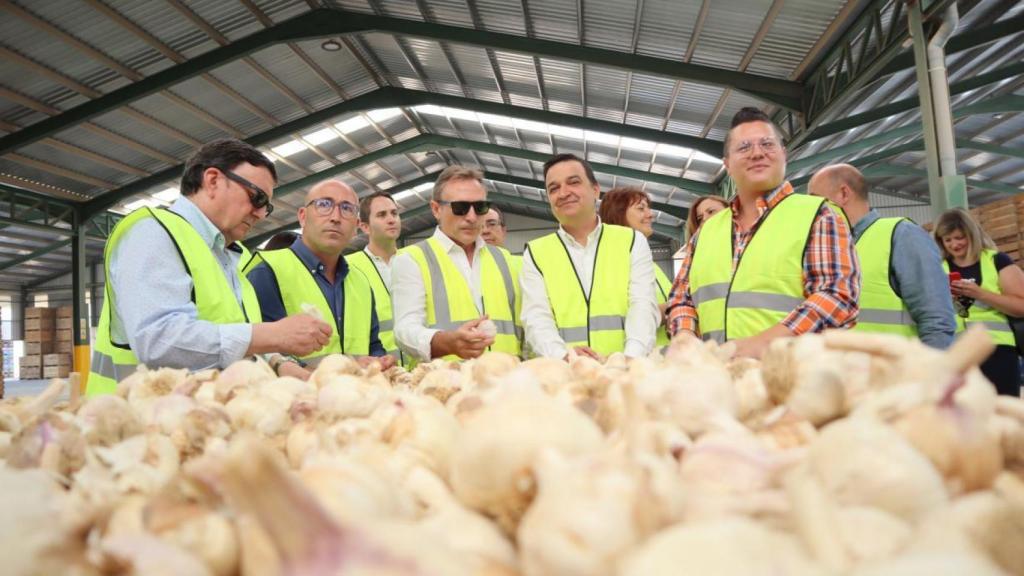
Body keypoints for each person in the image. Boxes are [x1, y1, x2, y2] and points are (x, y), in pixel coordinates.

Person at [88, 139, 331, 395]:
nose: (260, 214)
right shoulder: (153, 232)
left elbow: (230, 331)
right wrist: (272, 334)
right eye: (257, 197)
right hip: (139, 418)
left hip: (201, 418)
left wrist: (277, 363)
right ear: (213, 180)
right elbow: (159, 340)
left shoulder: (228, 256)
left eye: (266, 207)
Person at [666, 107, 860, 359]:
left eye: (767, 144)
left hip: (794, 378)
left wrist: (765, 343)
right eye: (744, 147)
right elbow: (682, 299)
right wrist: (685, 336)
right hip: (717, 378)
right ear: (727, 164)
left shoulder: (819, 215)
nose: (757, 153)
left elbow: (837, 296)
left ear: (783, 154)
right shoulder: (707, 231)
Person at [521, 154, 659, 361]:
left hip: (626, 372)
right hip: (567, 375)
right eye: (554, 188)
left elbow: (643, 304)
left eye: (573, 182)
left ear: (595, 189)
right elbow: (536, 316)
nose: (564, 193)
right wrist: (563, 356)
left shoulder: (631, 241)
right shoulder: (535, 252)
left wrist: (630, 356)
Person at [245, 179, 392, 371]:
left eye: (347, 209)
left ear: (356, 226)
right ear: (303, 216)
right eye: (324, 205)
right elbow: (259, 353)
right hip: (292, 398)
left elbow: (373, 346)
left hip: (357, 396)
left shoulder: (360, 281)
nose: (336, 217)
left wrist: (380, 361)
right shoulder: (268, 271)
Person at [808, 164, 955, 348]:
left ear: (844, 194)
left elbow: (936, 320)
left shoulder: (902, 235)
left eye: (817, 201)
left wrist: (931, 373)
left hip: (897, 373)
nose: (813, 210)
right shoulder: (830, 249)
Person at [391, 166, 522, 364]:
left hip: (502, 384)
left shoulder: (506, 261)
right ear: (436, 209)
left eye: (479, 208)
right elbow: (405, 329)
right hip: (443, 386)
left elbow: (526, 326)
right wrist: (447, 342)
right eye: (460, 208)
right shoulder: (411, 260)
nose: (471, 217)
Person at [933, 207, 1024, 396]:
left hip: (997, 350)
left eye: (959, 237)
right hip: (956, 354)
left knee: (1002, 415)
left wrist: (980, 294)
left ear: (971, 234)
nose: (954, 245)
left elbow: (1020, 306)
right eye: (947, 240)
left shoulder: (997, 261)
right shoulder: (937, 268)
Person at [598, 186, 673, 346]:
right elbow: (618, 318)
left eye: (648, 208)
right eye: (641, 208)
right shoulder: (609, 262)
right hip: (632, 362)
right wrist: (670, 310)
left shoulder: (648, 263)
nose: (650, 214)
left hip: (659, 361)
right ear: (617, 214)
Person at [346, 192, 403, 363]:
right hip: (377, 369)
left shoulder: (414, 261)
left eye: (394, 213)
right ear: (364, 226)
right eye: (381, 215)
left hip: (419, 370)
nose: (391, 219)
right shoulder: (348, 267)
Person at [481, 206, 522, 273]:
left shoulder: (523, 265)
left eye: (492, 224)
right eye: (478, 225)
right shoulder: (462, 268)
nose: (485, 231)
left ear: (503, 231)